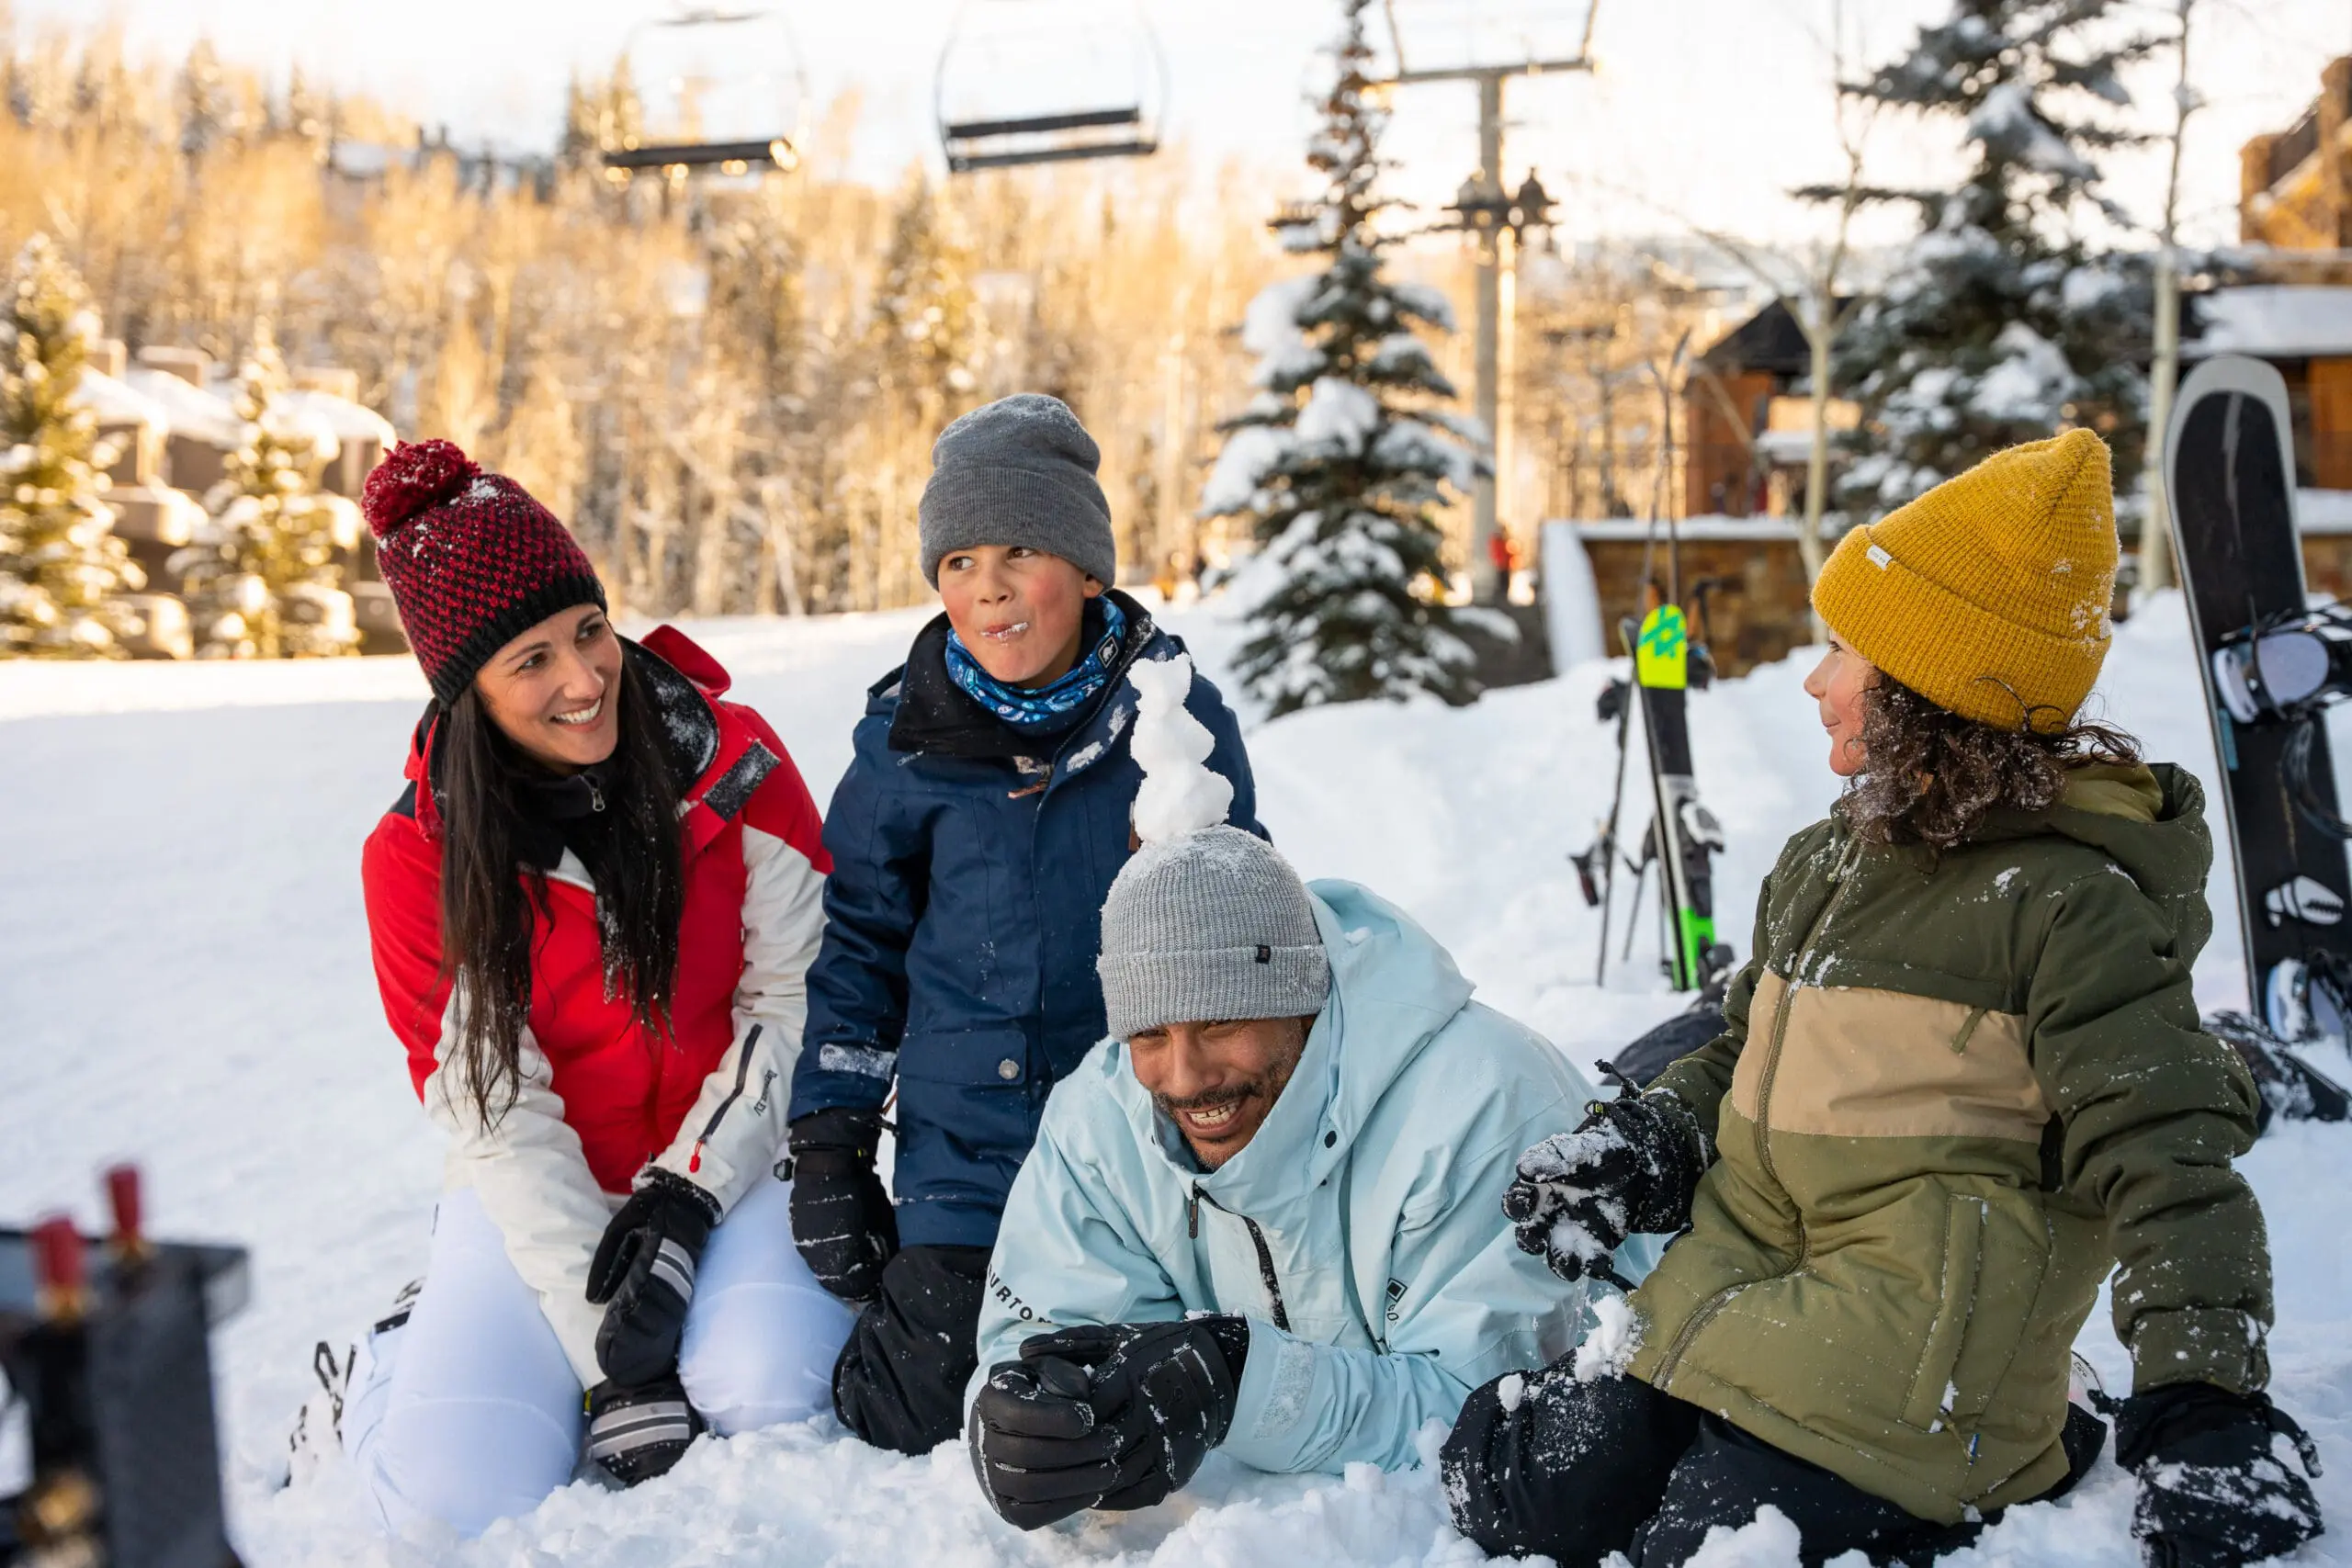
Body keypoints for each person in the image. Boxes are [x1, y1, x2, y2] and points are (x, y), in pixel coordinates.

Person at [1443, 429, 2325, 1568]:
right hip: (1740, 1297)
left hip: (1914, 1370)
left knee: (1701, 1549)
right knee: (1523, 1492)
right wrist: (1648, 1141)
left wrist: (2208, 1402)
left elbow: (2170, 1162)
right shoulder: (1828, 862)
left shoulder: (2067, 904)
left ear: (1928, 687)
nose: (1814, 680)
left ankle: (2041, 1429)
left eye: (1843, 650)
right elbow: (1741, 1050)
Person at [962, 657, 1648, 1528]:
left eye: (1219, 1025)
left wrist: (1239, 1380)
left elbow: (1490, 1424)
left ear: (1303, 998)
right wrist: (1032, 1426)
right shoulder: (1100, 1119)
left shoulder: (1482, 1106)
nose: (1183, 1075)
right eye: (1148, 1034)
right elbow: (1039, 1334)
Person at [349, 439, 853, 1536]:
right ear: (465, 690)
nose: (583, 680)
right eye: (530, 661)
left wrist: (687, 1193)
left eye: (588, 631)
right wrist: (611, 1366)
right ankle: (397, 1350)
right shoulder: (417, 858)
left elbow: (792, 1003)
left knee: (768, 1392)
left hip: (733, 1164)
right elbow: (496, 1106)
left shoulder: (734, 761)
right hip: (532, 1187)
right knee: (456, 1494)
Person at [786, 394, 1260, 1455]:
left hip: (1140, 1137)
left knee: (1140, 1373)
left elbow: (1246, 933)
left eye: (1018, 549)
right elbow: (857, 946)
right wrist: (830, 1143)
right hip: (970, 1147)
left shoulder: (1175, 720)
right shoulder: (901, 744)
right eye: (955, 560)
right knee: (919, 1405)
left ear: (1088, 571)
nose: (985, 585)